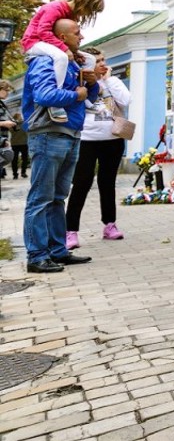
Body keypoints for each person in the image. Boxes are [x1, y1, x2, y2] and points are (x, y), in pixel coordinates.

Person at [22, 17, 100, 273]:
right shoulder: (44, 61)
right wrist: (75, 94)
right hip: (48, 134)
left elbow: (89, 99)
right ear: (62, 37)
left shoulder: (69, 64)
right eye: (77, 33)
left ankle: (57, 250)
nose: (82, 37)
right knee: (41, 198)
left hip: (69, 133)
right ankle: (36, 255)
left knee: (57, 197)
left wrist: (90, 84)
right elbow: (44, 96)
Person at [64, 47, 130, 249]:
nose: (103, 64)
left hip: (113, 139)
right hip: (86, 139)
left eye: (104, 60)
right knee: (82, 183)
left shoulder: (113, 82)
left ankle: (110, 225)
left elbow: (126, 101)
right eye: (98, 61)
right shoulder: (77, 82)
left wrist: (109, 80)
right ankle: (70, 231)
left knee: (107, 183)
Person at [20, 0, 105, 124]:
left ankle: (85, 98)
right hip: (34, 42)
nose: (88, 15)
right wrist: (64, 48)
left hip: (49, 44)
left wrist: (75, 53)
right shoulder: (55, 8)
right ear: (84, 3)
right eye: (90, 11)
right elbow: (43, 31)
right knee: (61, 58)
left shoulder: (69, 15)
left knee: (90, 59)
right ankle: (55, 103)